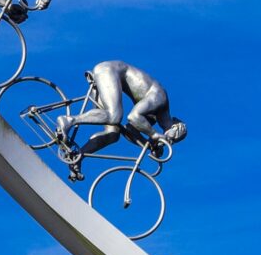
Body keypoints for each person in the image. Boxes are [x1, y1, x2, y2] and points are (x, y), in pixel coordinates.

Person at [55, 60, 187, 178]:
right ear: (176, 127)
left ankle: (78, 156)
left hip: (109, 76)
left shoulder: (152, 117)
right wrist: (153, 134)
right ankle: (68, 120)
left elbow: (130, 131)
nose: (168, 141)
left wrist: (148, 144)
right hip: (109, 71)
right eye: (171, 139)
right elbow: (133, 117)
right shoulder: (161, 99)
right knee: (114, 116)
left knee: (113, 134)